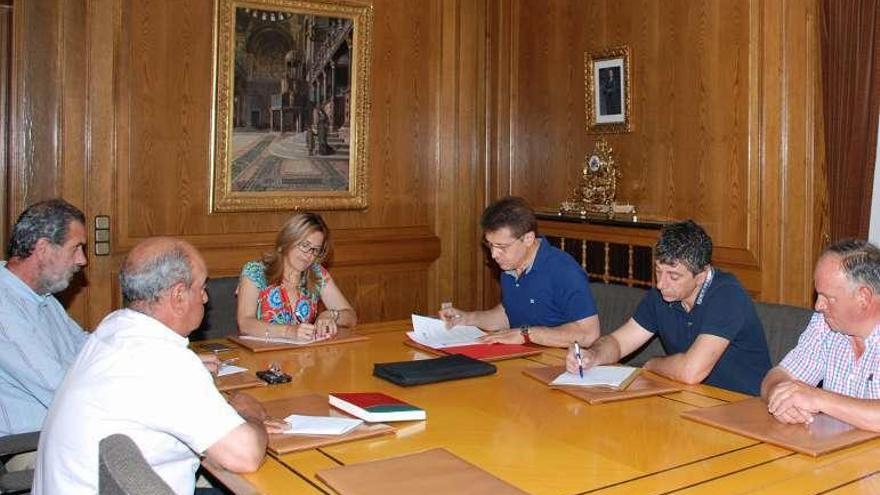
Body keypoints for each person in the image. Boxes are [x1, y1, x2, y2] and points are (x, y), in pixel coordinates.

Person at [33, 237, 285, 494]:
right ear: (178, 295)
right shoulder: (165, 362)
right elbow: (245, 455)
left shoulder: (112, 328)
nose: (206, 298)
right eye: (201, 288)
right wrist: (249, 412)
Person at [566, 220, 771, 395]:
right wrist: (593, 356)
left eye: (674, 276)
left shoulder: (727, 294)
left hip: (740, 405)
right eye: (658, 271)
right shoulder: (662, 295)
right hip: (691, 399)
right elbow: (619, 343)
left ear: (701, 275)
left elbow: (691, 372)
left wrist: (651, 364)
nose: (661, 284)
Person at [439, 196, 599, 347]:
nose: (494, 255)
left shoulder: (563, 270)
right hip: (524, 356)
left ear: (528, 239)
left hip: (561, 362)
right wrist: (468, 318)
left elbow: (589, 334)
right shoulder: (511, 266)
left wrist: (526, 334)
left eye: (502, 247)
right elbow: (509, 314)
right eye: (490, 245)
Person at [762, 240, 880, 431]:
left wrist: (818, 398)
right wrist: (782, 397)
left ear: (863, 297)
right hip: (834, 453)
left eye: (828, 297)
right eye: (818, 295)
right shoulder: (824, 324)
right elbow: (778, 375)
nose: (818, 306)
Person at [0, 198, 89, 436]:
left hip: (63, 424)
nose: (82, 260)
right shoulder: (5, 310)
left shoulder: (41, 296)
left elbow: (87, 347)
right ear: (43, 249)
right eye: (76, 248)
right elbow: (59, 390)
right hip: (28, 444)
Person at [237, 212, 356, 341]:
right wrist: (288, 331)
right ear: (287, 241)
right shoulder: (256, 271)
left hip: (303, 356)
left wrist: (331, 315)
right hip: (262, 355)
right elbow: (245, 323)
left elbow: (351, 317)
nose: (309, 255)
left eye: (315, 250)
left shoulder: (317, 274)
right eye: (305, 245)